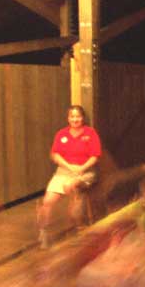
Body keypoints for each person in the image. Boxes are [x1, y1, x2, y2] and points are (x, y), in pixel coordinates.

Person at [37, 105, 102, 248]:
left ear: (83, 118)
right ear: (68, 118)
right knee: (48, 200)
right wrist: (69, 166)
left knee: (71, 187)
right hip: (64, 171)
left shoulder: (90, 133)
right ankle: (43, 232)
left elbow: (95, 156)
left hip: (85, 171)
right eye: (72, 116)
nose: (75, 119)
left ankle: (77, 228)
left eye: (78, 116)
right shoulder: (62, 134)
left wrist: (81, 168)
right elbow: (55, 155)